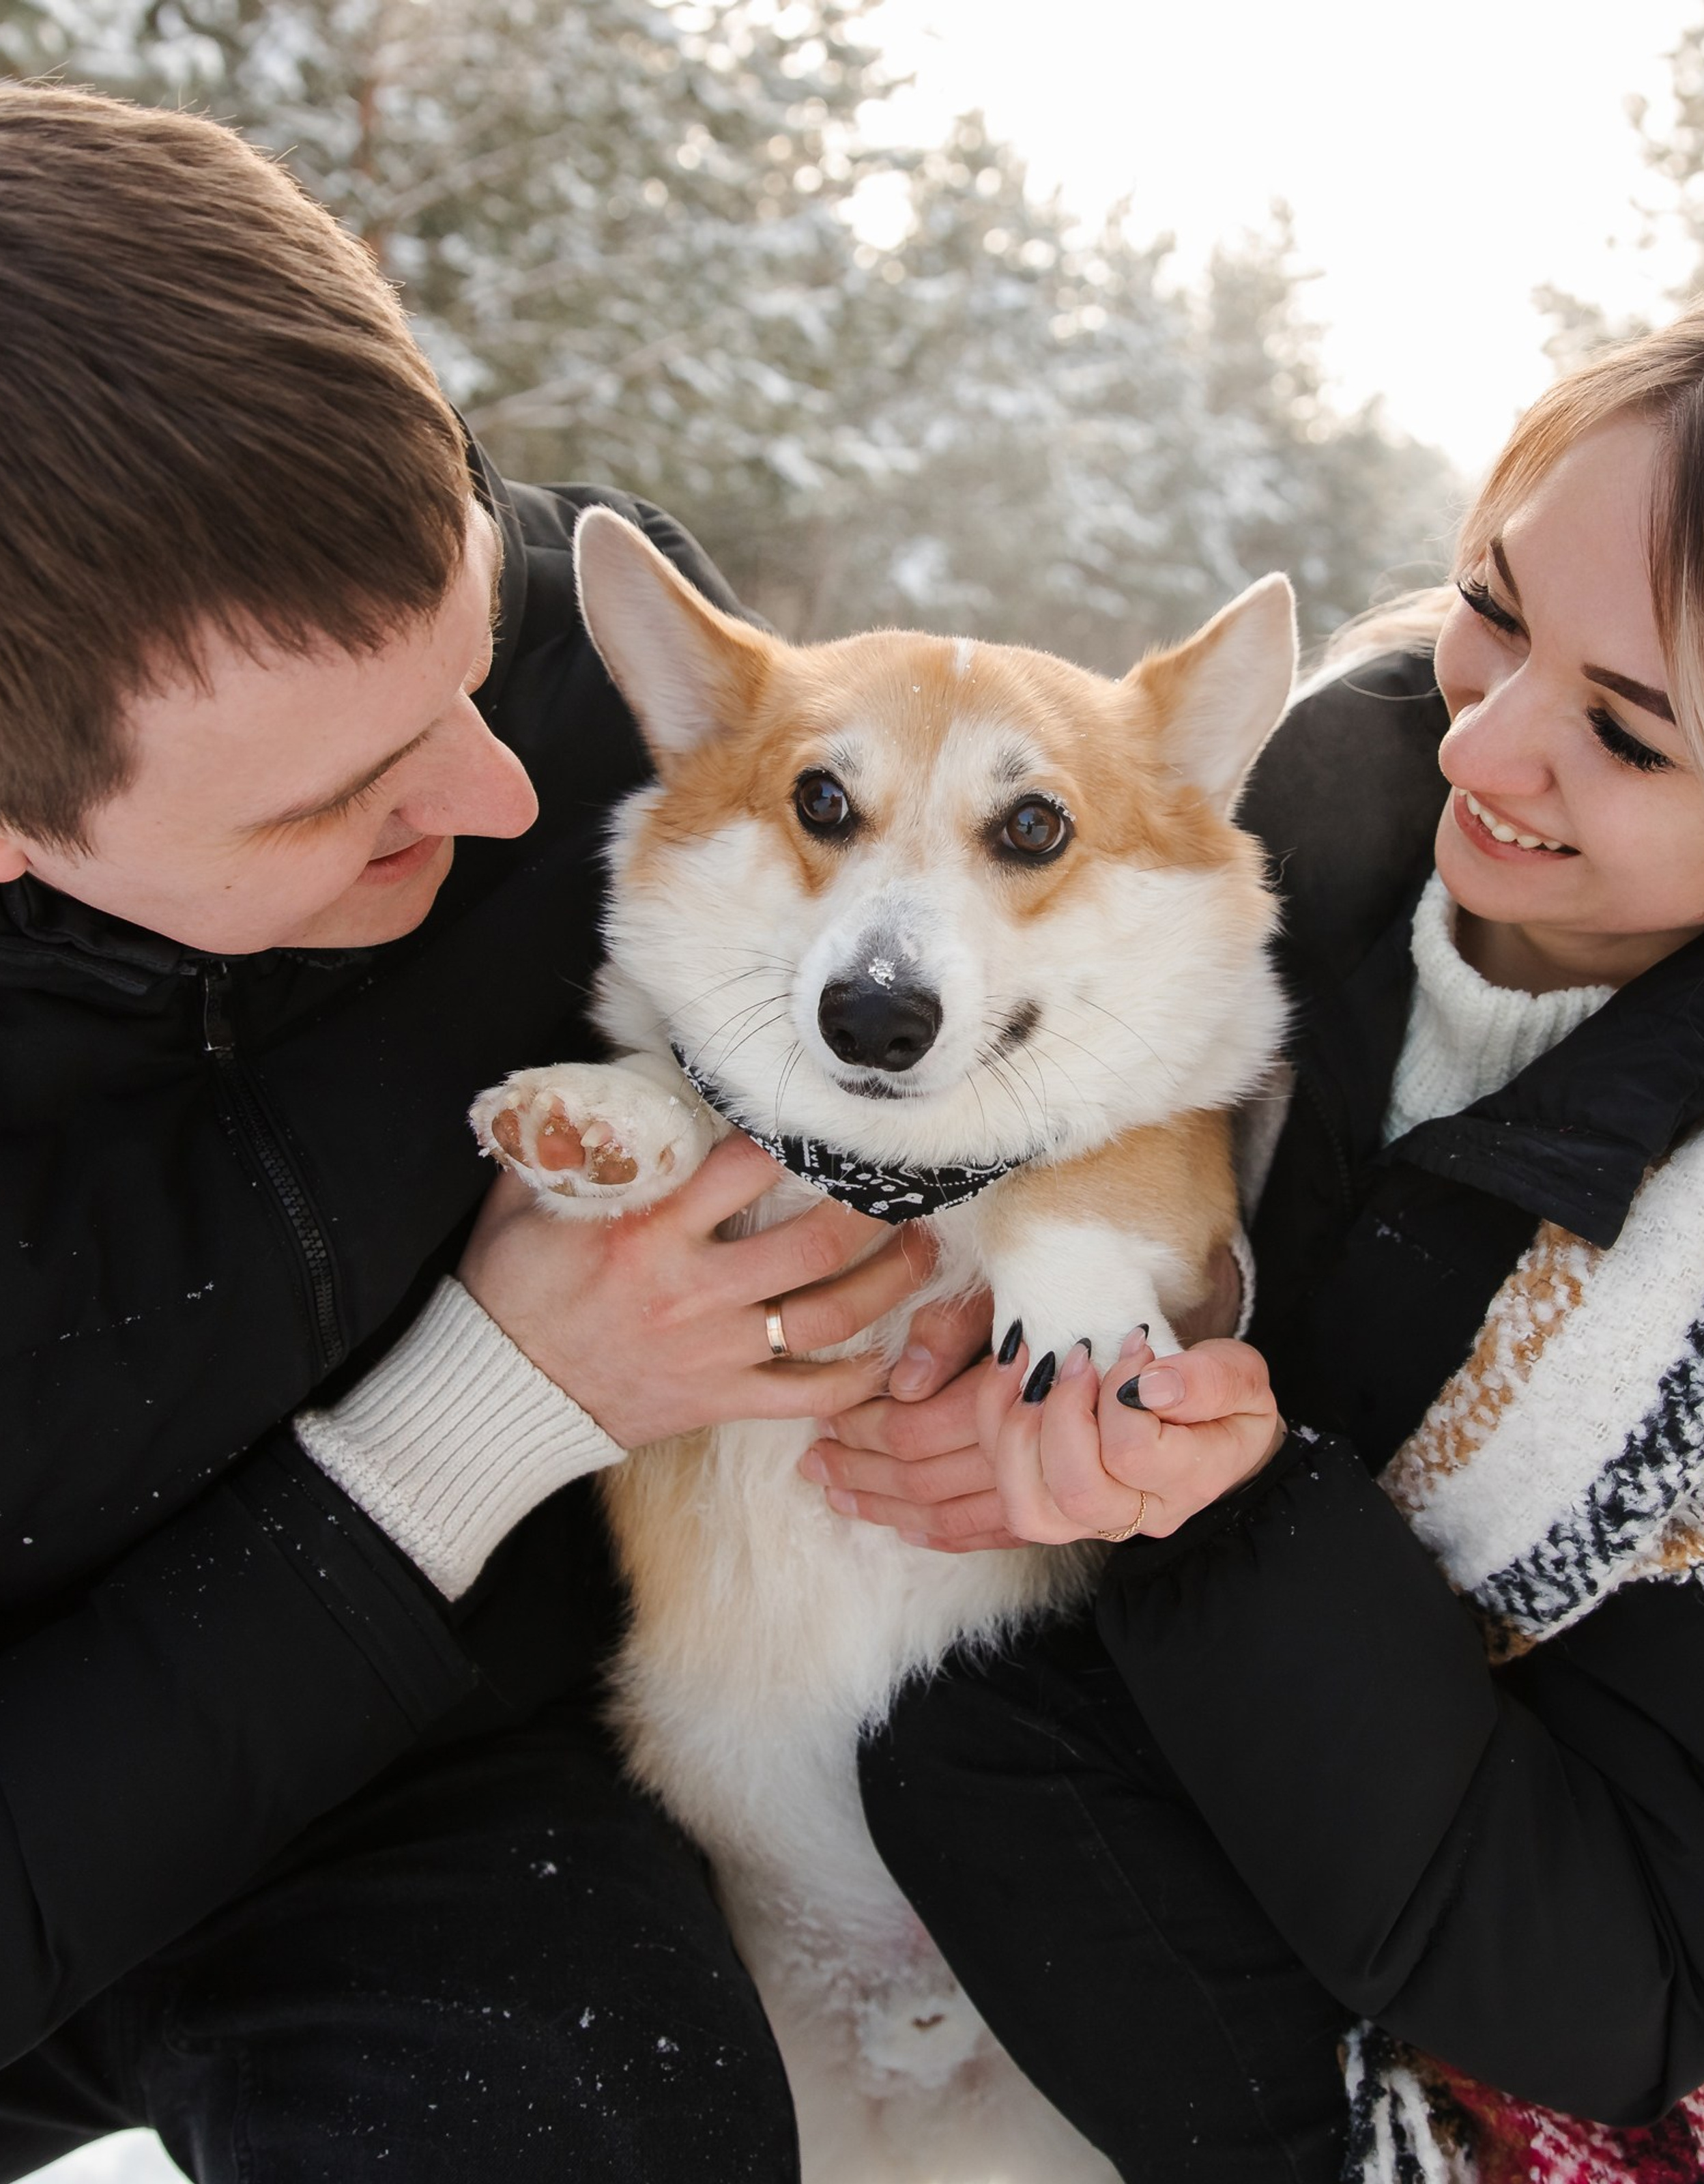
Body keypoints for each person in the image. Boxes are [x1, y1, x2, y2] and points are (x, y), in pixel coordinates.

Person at [0, 81, 985, 2183]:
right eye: (336, 798)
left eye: (471, 646)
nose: (505, 798)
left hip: (450, 1730)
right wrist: (494, 1399)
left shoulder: (584, 676)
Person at [824, 287, 1704, 2180]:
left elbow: (1629, 1988)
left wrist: (1219, 1520)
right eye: (1493, 608)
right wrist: (982, 1340)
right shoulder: (1236, 835)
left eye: (1631, 739)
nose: (1482, 749)